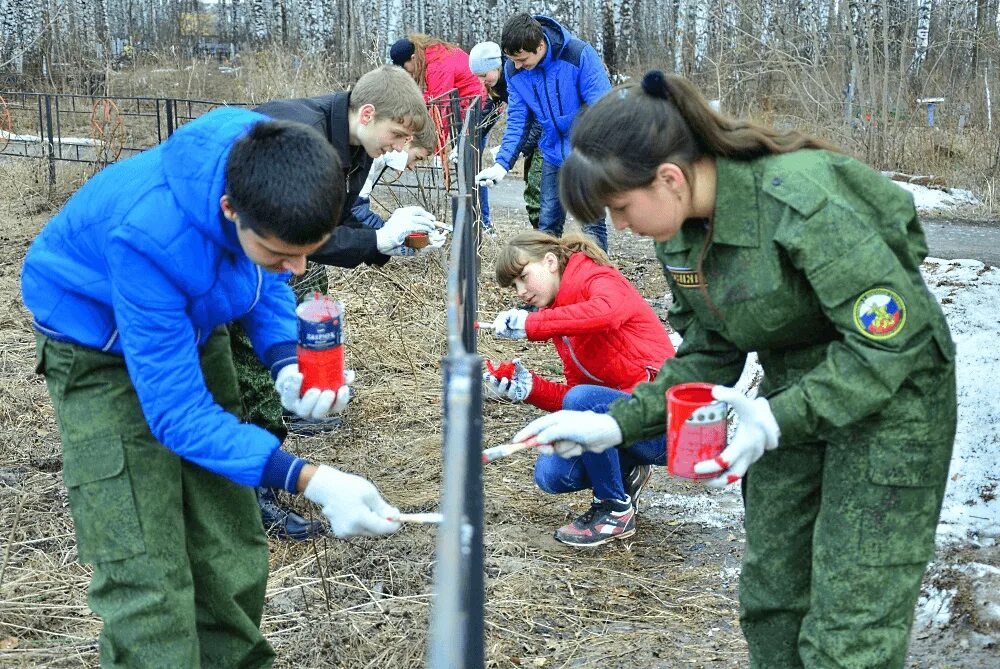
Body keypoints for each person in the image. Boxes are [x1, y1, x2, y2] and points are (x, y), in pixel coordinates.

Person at [513, 71, 957, 667]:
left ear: (669, 177)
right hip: (788, 400)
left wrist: (774, 418)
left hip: (894, 404)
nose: (618, 228)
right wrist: (618, 424)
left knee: (850, 623)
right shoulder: (680, 231)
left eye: (620, 208)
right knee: (772, 598)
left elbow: (888, 343)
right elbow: (706, 349)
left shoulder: (803, 200)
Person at [21, 108, 403, 667]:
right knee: (145, 567)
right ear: (230, 211)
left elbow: (266, 274)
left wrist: (283, 362)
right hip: (97, 346)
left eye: (307, 250)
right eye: (282, 253)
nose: (297, 270)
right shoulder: (149, 237)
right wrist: (307, 479)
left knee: (227, 540)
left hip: (189, 316)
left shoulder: (266, 164)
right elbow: (177, 415)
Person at [238, 65, 441, 540]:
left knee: (277, 359)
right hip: (243, 260)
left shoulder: (360, 147)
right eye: (397, 135)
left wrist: (393, 236)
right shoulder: (300, 136)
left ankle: (259, 474)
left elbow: (341, 216)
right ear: (367, 113)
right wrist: (376, 244)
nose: (397, 148)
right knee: (249, 373)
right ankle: (251, 493)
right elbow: (300, 234)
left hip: (266, 261)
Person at [485, 231, 676, 546]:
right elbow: (576, 398)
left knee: (580, 401)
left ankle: (614, 509)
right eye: (514, 285)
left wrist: (532, 325)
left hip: (666, 422)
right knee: (553, 474)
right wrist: (530, 388)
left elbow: (609, 312)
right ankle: (628, 472)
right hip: (628, 420)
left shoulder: (597, 278)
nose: (520, 292)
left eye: (523, 277)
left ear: (549, 262)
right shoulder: (563, 322)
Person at [474, 14, 611, 252]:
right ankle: (549, 282)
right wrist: (502, 164)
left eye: (522, 59)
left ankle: (601, 280)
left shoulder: (578, 55)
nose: (516, 66)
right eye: (511, 60)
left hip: (585, 153)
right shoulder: (514, 70)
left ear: (539, 46)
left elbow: (604, 109)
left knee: (591, 225)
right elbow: (518, 120)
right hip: (552, 153)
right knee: (547, 224)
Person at [390, 34, 490, 228]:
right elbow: (433, 99)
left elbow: (439, 109)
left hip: (475, 110)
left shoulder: (437, 66)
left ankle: (482, 223)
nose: (407, 72)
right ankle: (472, 222)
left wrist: (438, 150)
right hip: (464, 110)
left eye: (404, 67)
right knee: (466, 168)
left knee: (470, 168)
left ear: (412, 59)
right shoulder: (432, 55)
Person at [468, 40, 543, 230]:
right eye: (478, 77)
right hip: (531, 139)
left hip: (543, 138)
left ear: (496, 66)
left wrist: (517, 148)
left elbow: (537, 119)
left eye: (484, 75)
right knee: (533, 191)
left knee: (538, 194)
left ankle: (546, 239)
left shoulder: (518, 75)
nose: (481, 81)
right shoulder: (498, 84)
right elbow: (489, 112)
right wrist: (470, 138)